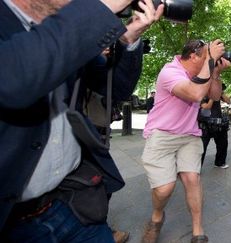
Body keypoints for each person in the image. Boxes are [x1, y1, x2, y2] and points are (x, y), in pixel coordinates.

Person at [0, 0, 163, 242]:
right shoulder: (61, 28)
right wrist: (98, 9)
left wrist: (128, 39)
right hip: (12, 223)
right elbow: (12, 80)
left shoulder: (66, 31)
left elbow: (116, 88)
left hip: (74, 206)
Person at [140, 39, 230, 243]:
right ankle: (156, 218)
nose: (210, 59)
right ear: (193, 56)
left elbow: (214, 96)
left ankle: (198, 230)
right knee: (164, 189)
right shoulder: (170, 72)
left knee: (192, 179)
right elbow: (194, 93)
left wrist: (216, 73)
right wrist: (211, 60)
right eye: (206, 56)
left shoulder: (203, 73)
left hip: (189, 134)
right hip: (162, 134)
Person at [200, 83, 231, 169]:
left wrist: (221, 93)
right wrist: (212, 98)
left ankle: (220, 162)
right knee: (201, 147)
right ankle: (196, 168)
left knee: (223, 143)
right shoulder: (202, 93)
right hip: (206, 124)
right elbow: (206, 107)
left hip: (218, 123)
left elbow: (228, 101)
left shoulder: (218, 94)